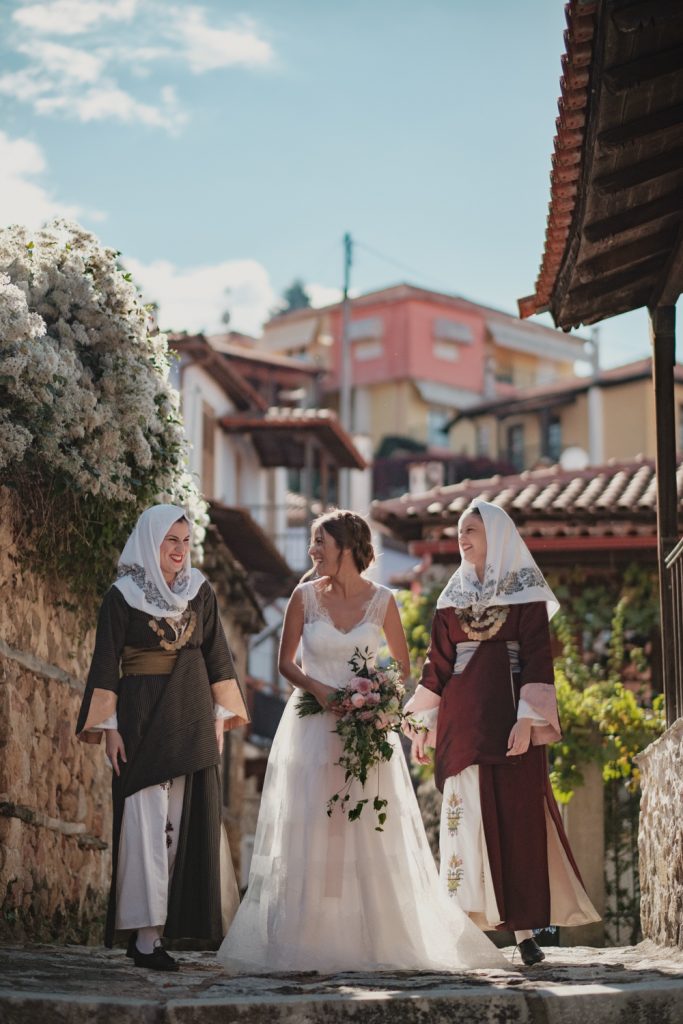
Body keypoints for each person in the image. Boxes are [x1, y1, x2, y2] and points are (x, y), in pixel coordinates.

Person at [218, 509, 508, 974]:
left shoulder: (384, 601)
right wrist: (322, 690)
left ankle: (374, 937)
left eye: (320, 542)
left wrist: (373, 694)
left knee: (367, 828)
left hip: (366, 727)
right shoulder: (303, 597)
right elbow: (285, 664)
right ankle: (309, 938)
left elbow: (402, 667)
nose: (313, 551)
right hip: (311, 726)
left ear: (347, 547)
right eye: (313, 543)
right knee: (313, 826)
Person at [406, 500, 600, 966]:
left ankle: (525, 933)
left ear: (497, 535)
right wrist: (420, 728)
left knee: (516, 824)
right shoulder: (449, 600)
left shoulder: (525, 594)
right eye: (460, 531)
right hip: (460, 727)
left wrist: (527, 721)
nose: (463, 538)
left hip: (510, 725)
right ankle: (458, 927)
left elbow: (537, 658)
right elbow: (437, 668)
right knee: (464, 821)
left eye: (472, 529)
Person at [76, 504, 249, 971]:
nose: (178, 551)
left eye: (185, 542)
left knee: (178, 825)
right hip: (139, 714)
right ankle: (144, 935)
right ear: (150, 541)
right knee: (142, 822)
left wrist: (218, 718)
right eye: (170, 541)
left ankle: (157, 932)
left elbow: (218, 656)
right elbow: (105, 662)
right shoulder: (123, 595)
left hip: (191, 714)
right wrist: (109, 729)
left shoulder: (199, 592)